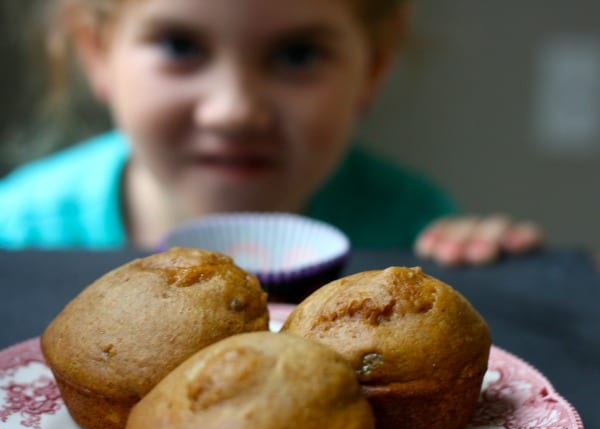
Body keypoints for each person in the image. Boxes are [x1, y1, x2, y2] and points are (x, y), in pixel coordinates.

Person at [0, 0, 541, 266]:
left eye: (297, 54)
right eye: (180, 47)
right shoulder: (16, 238)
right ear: (96, 50)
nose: (234, 111)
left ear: (373, 66)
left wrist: (488, 268)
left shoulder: (410, 232)